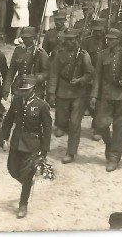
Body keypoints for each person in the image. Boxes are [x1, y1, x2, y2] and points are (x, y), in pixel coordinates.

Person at [0, 75, 51, 219]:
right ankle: (27, 182)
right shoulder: (16, 101)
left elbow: (47, 128)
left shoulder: (41, 105)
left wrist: (44, 150)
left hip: (33, 145)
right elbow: (8, 120)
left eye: (26, 89)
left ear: (33, 89)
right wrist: (3, 138)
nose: (23, 92)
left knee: (27, 175)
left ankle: (23, 204)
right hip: (17, 141)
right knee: (12, 169)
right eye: (21, 89)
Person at [91, 28, 122, 172]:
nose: (109, 41)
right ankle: (109, 143)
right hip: (106, 94)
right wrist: (94, 95)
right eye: (108, 39)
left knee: (119, 129)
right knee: (100, 124)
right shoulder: (102, 55)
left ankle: (114, 158)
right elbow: (97, 77)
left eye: (112, 39)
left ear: (118, 40)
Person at [47, 28, 94, 164]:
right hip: (62, 90)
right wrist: (51, 92)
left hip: (78, 93)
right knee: (60, 121)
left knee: (74, 123)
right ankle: (73, 135)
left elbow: (90, 74)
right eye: (67, 39)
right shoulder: (59, 53)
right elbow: (54, 73)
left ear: (77, 40)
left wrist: (81, 80)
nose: (70, 42)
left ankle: (71, 151)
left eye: (72, 39)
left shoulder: (83, 55)